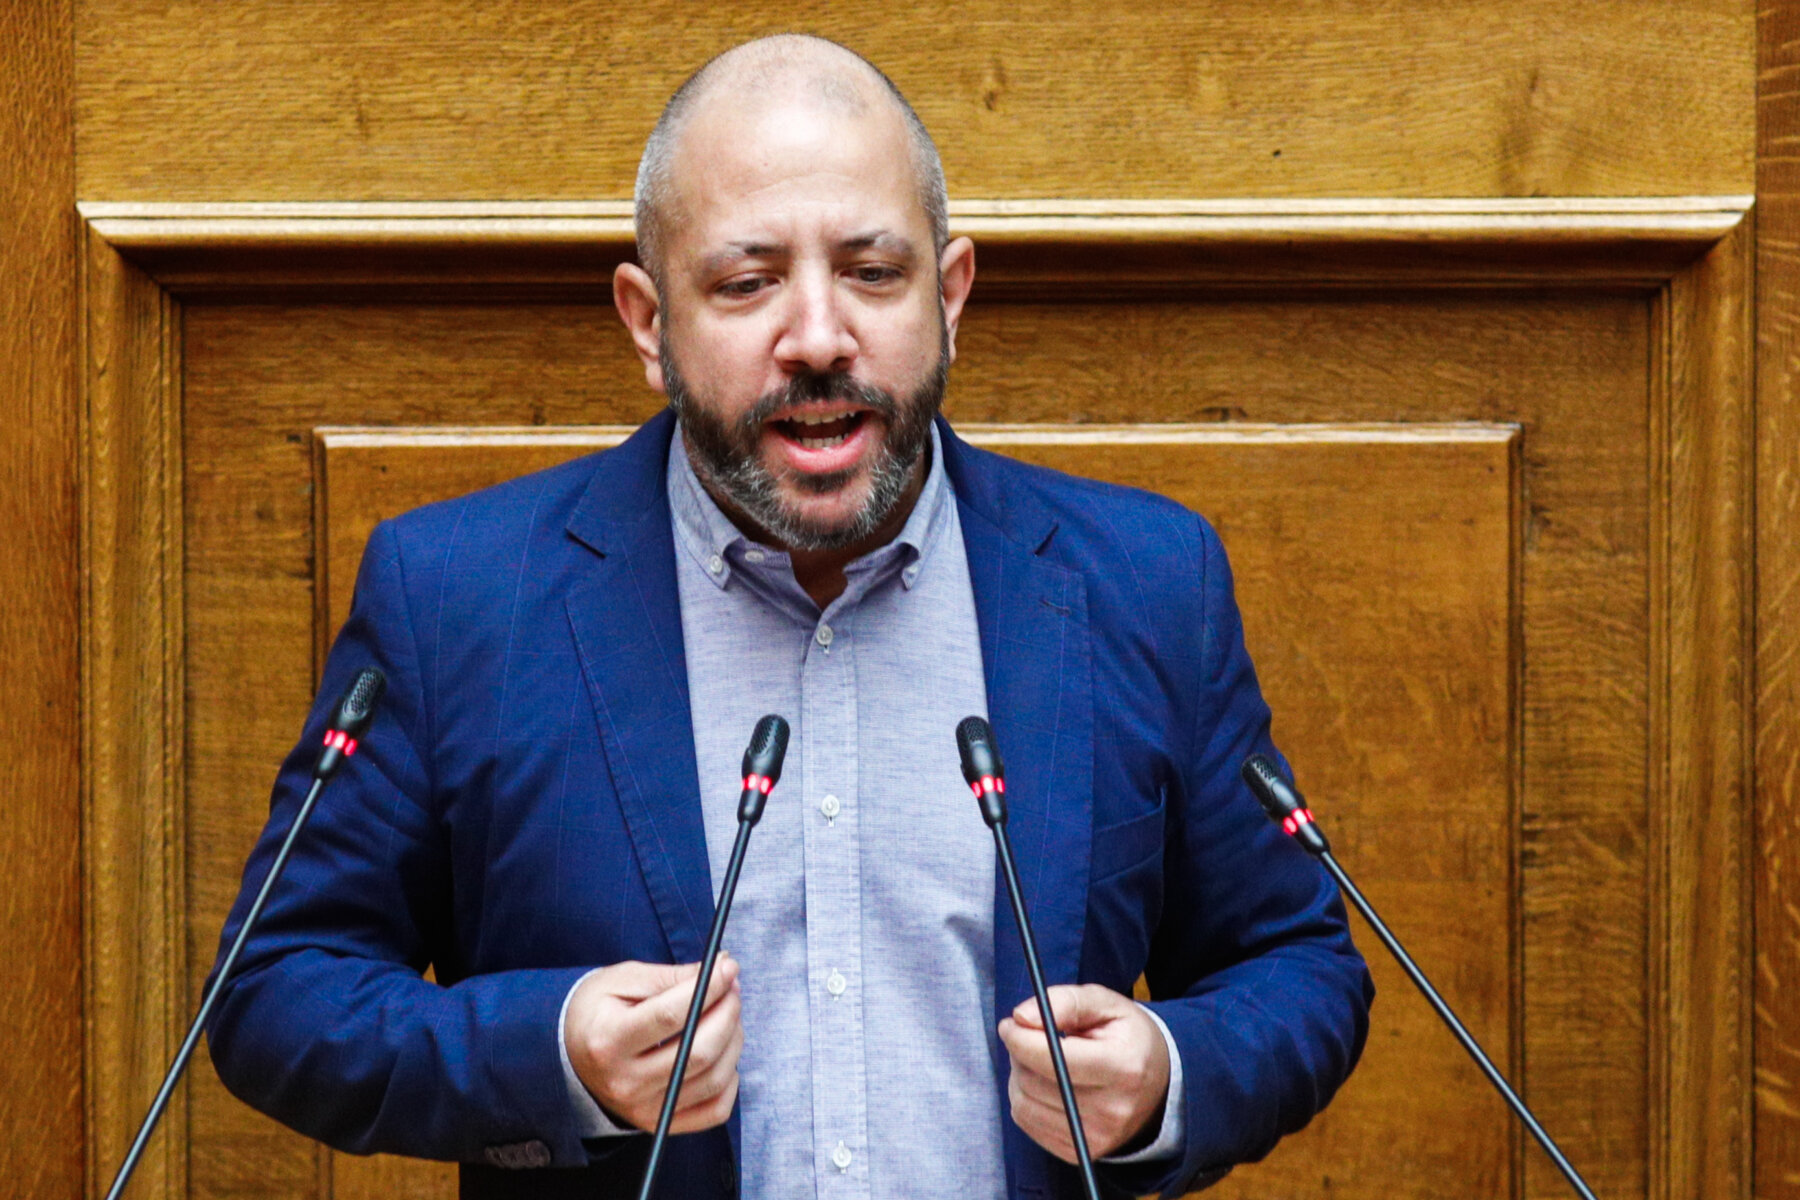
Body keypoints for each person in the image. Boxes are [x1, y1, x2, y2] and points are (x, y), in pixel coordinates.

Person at [206, 34, 1372, 1200]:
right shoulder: (456, 598)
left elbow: (1298, 964)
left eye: (873, 272)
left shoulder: (1145, 583)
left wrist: (1169, 1075)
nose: (817, 337)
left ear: (950, 296)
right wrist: (551, 1056)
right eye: (746, 282)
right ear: (649, 323)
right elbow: (277, 989)